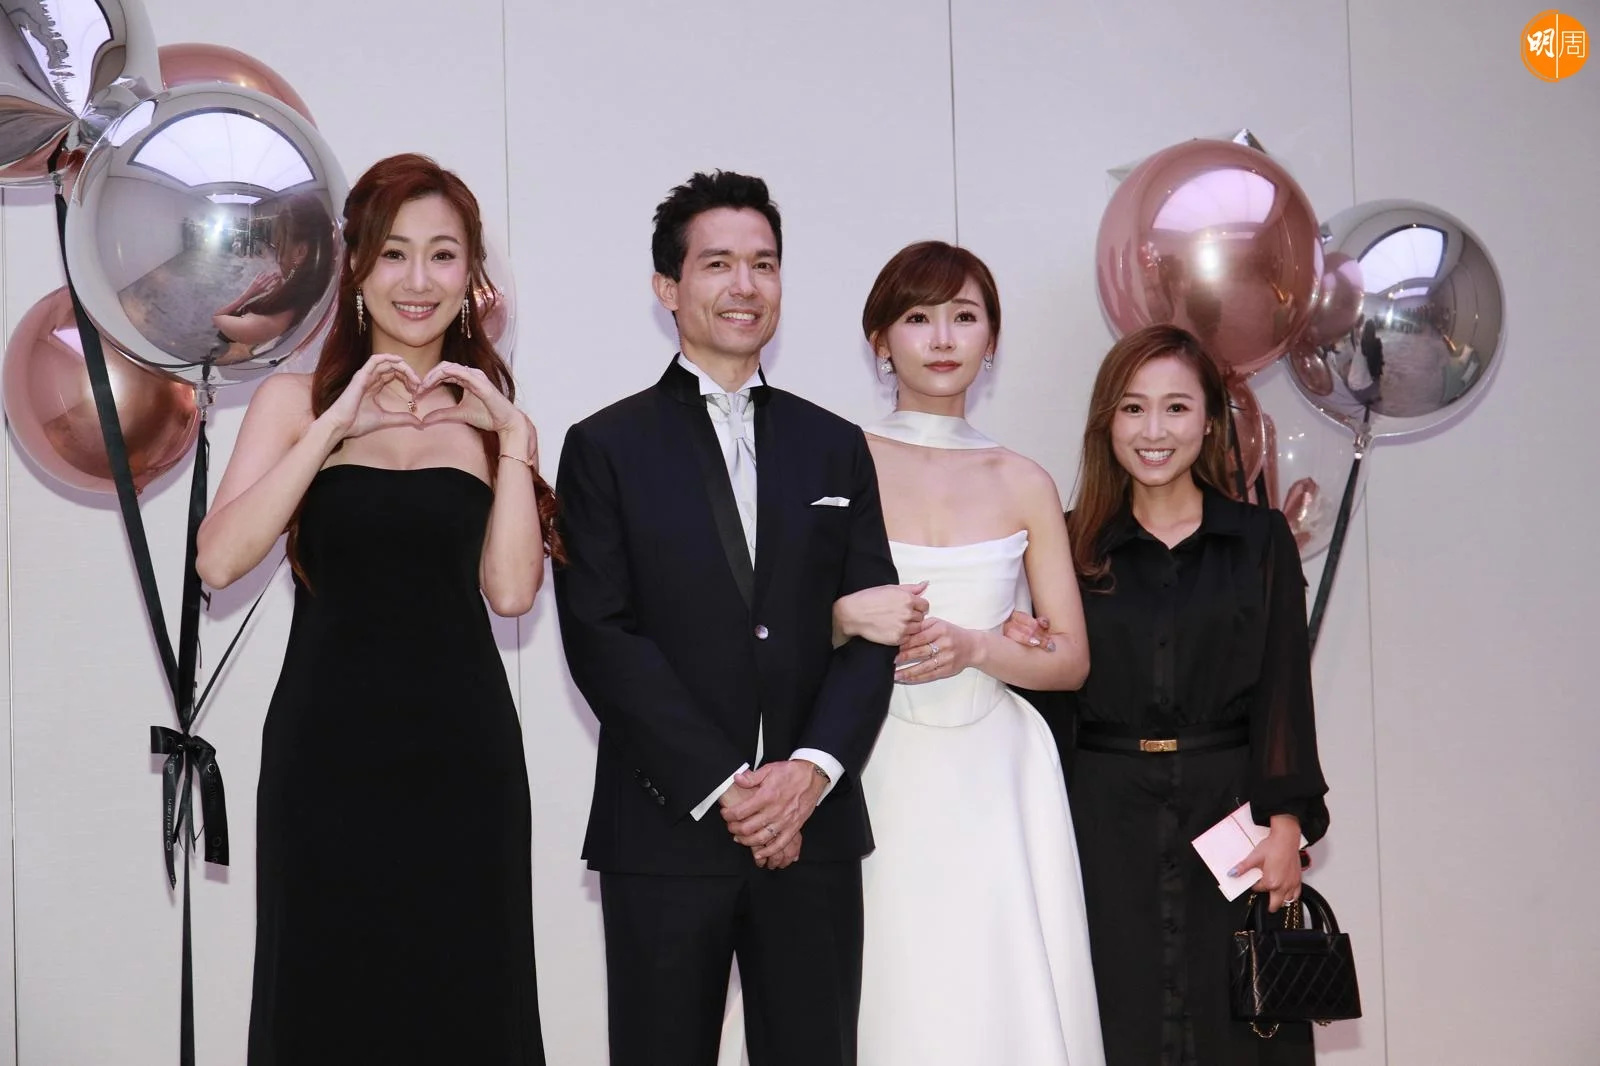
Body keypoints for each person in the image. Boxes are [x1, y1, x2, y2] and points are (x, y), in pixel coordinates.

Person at [195, 153, 552, 1064]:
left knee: (467, 998)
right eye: (394, 253)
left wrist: (515, 441)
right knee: (325, 997)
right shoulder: (292, 401)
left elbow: (512, 591)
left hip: (463, 758)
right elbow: (219, 560)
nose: (417, 280)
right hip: (327, 755)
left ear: (471, 276)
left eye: (442, 254)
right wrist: (333, 425)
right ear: (355, 267)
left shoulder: (490, 412)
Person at [552, 170, 900, 1066]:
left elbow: (874, 628)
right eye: (717, 264)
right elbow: (601, 635)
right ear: (668, 288)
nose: (745, 285)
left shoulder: (835, 444)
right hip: (666, 831)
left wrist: (810, 773)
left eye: (764, 264)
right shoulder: (604, 447)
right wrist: (728, 788)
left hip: (814, 832)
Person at [757, 241, 1106, 1064]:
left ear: (992, 339)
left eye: (964, 316)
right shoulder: (838, 458)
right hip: (866, 761)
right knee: (878, 985)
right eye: (918, 317)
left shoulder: (1024, 479)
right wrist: (843, 617)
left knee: (991, 990)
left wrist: (979, 645)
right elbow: (775, 626)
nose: (943, 338)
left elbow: (1070, 660)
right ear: (880, 339)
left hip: (995, 770)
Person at [1044, 323, 1329, 1065]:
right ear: (1107, 422)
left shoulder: (1259, 540)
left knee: (1239, 1027)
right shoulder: (1068, 545)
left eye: (1176, 408)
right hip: (1101, 822)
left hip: (1230, 810)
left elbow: (1284, 691)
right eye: (1133, 408)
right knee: (1118, 1022)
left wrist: (1287, 825)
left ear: (1208, 422)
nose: (1154, 431)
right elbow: (1048, 705)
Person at [212, 192, 336, 363]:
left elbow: (217, 318)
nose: (277, 257)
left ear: (300, 252)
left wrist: (248, 293)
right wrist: (282, 287)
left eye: (279, 245)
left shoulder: (269, 321)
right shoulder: (315, 288)